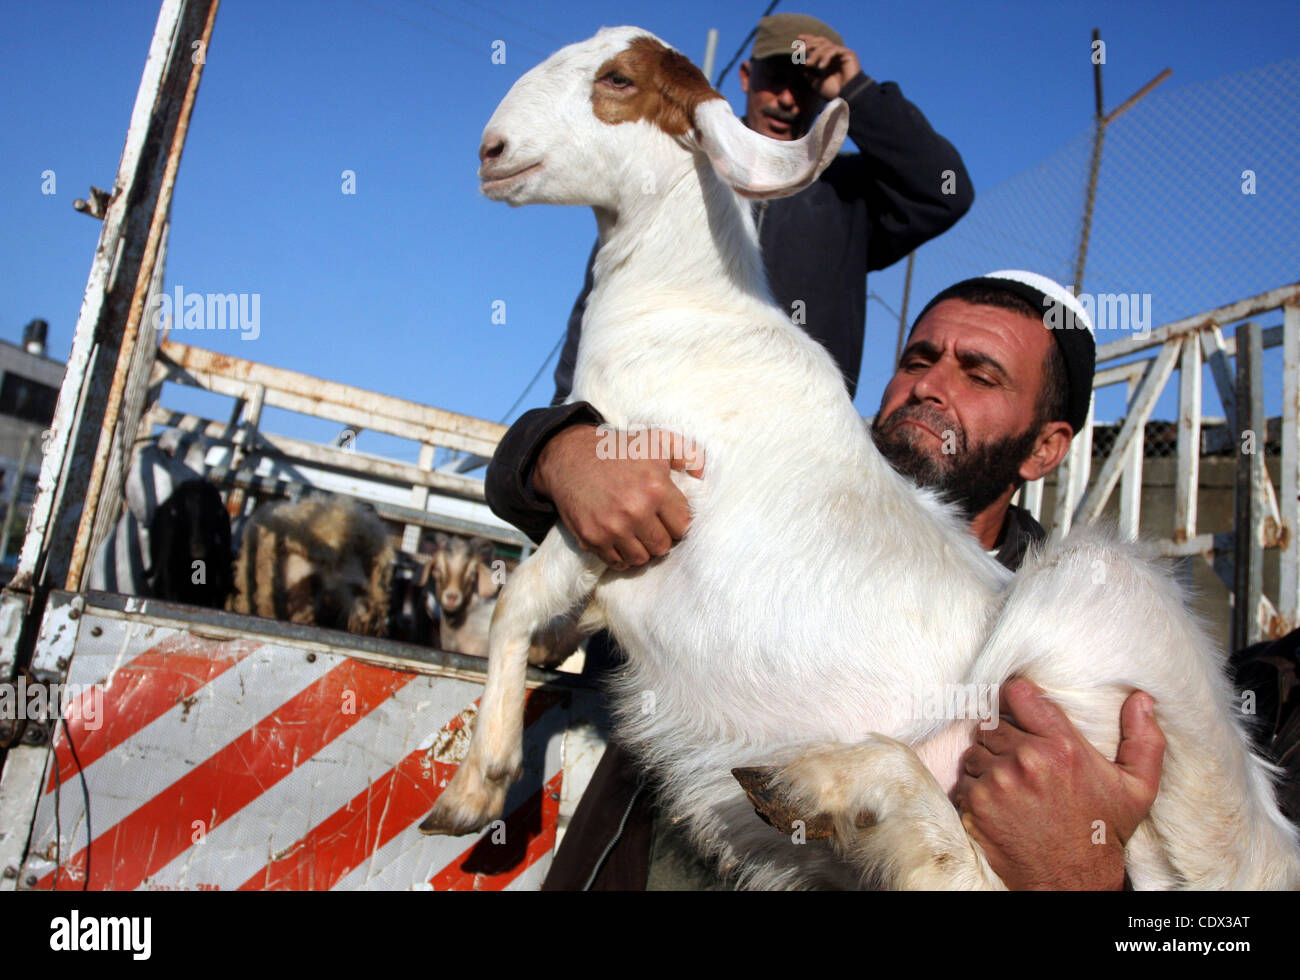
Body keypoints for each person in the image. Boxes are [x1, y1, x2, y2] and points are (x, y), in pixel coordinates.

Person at [486, 269, 1169, 890]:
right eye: (917, 360)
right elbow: (578, 487)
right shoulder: (768, 499)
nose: (928, 386)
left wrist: (1089, 875)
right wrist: (559, 450)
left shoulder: (1069, 646)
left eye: (979, 375)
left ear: (1045, 448)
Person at [549, 11, 973, 407]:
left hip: (794, 451)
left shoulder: (850, 196)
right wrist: (566, 420)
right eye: (775, 79)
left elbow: (945, 191)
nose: (788, 99)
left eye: (806, 84)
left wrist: (857, 89)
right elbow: (601, 299)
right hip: (669, 430)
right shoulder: (679, 171)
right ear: (747, 77)